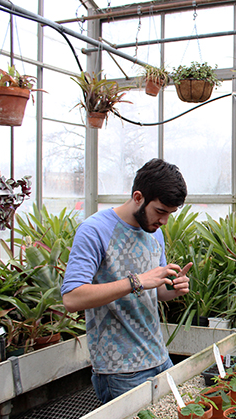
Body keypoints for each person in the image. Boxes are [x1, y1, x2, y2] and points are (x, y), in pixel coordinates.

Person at [61, 159, 193, 404]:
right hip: (120, 370)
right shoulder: (94, 230)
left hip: (159, 357)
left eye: (170, 214)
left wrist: (173, 289)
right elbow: (71, 297)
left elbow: (154, 292)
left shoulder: (155, 233)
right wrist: (136, 281)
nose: (164, 221)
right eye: (161, 211)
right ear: (138, 197)